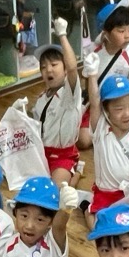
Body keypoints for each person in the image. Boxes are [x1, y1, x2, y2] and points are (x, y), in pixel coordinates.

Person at [76, 0, 129, 151]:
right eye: (121, 31)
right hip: (98, 104)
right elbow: (87, 85)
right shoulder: (93, 52)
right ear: (106, 33)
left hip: (121, 105)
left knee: (122, 135)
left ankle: (109, 129)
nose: (127, 36)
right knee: (83, 140)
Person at [81, 68, 129, 216]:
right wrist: (92, 74)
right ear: (106, 110)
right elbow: (95, 102)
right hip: (104, 194)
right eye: (119, 109)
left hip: (127, 194)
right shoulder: (100, 130)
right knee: (99, 224)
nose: (127, 113)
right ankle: (86, 208)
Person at [34, 18, 82, 188]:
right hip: (41, 154)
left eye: (54, 64)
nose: (49, 69)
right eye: (43, 67)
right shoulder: (41, 99)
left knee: (56, 193)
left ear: (64, 68)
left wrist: (62, 34)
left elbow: (73, 68)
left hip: (63, 156)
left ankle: (75, 173)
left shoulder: (70, 93)